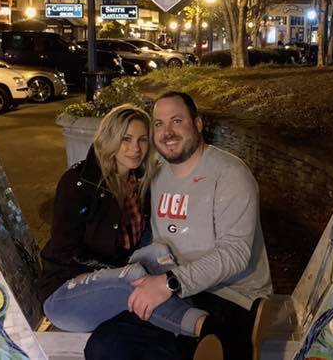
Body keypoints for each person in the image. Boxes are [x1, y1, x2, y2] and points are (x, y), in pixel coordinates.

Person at [85, 91, 273, 360]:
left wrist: (170, 282)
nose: (166, 132)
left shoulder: (229, 174)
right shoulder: (156, 173)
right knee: (104, 346)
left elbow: (235, 253)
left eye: (176, 121)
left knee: (189, 350)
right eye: (159, 124)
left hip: (230, 294)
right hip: (170, 291)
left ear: (197, 124)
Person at [38, 104, 226, 358]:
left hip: (117, 286)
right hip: (67, 295)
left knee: (159, 253)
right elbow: (64, 251)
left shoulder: (139, 184)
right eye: (125, 139)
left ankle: (194, 337)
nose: (135, 149)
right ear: (109, 139)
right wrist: (120, 269)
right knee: (135, 276)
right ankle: (208, 329)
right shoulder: (78, 184)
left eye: (142, 140)